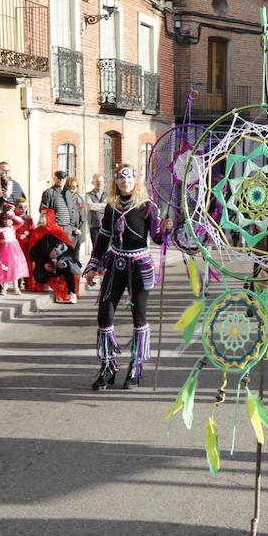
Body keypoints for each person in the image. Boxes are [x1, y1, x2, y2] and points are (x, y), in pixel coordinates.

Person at [84, 165, 167, 389]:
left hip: (140, 265)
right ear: (116, 182)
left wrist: (167, 229)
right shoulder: (111, 207)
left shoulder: (148, 207)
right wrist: (93, 265)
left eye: (128, 179)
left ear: (135, 181)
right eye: (121, 179)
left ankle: (135, 370)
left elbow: (158, 238)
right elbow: (104, 237)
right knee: (104, 315)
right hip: (116, 264)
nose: (124, 182)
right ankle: (108, 368)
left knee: (139, 318)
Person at [0, 202, 28, 296]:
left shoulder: (13, 228)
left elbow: (21, 222)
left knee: (15, 269)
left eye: (10, 220)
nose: (9, 221)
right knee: (5, 270)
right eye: (7, 220)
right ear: (3, 220)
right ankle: (5, 288)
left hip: (15, 251)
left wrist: (13, 215)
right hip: (4, 251)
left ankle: (16, 288)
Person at [62, 176, 87, 263]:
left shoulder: (80, 199)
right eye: (72, 186)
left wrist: (80, 229)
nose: (74, 188)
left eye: (76, 186)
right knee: (67, 253)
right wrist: (73, 229)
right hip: (69, 231)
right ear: (67, 186)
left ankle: (76, 274)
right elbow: (64, 217)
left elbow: (83, 216)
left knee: (77, 254)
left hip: (79, 231)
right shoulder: (64, 199)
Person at [85, 173, 107, 251]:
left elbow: (109, 207)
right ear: (93, 182)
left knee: (106, 247)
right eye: (97, 181)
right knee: (96, 247)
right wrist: (103, 206)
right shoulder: (88, 195)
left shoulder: (108, 194)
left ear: (104, 182)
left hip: (106, 225)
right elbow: (90, 206)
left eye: (101, 181)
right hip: (94, 224)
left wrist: (96, 206)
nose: (99, 183)